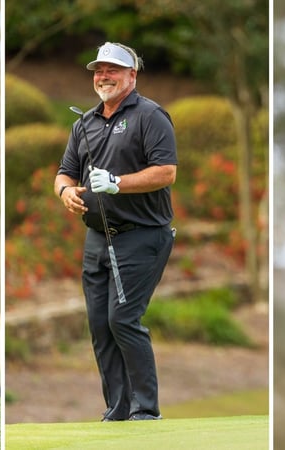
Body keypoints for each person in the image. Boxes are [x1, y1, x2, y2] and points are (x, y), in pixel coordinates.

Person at [54, 42, 177, 421]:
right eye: (98, 70)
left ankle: (146, 409)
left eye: (113, 70)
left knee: (123, 319)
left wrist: (117, 183)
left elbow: (166, 172)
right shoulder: (84, 122)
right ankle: (118, 408)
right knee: (99, 325)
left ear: (132, 75)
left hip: (142, 233)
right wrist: (65, 192)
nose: (103, 76)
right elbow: (65, 172)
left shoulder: (150, 116)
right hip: (97, 237)